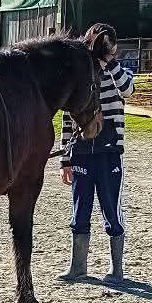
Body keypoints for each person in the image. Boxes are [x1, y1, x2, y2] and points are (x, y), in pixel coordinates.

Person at [59, 23, 134, 284]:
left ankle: (117, 269)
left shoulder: (118, 73)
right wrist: (65, 157)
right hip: (81, 151)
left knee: (111, 208)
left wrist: (110, 61)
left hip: (109, 152)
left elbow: (128, 90)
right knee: (80, 209)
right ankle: (78, 266)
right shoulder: (81, 76)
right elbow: (68, 118)